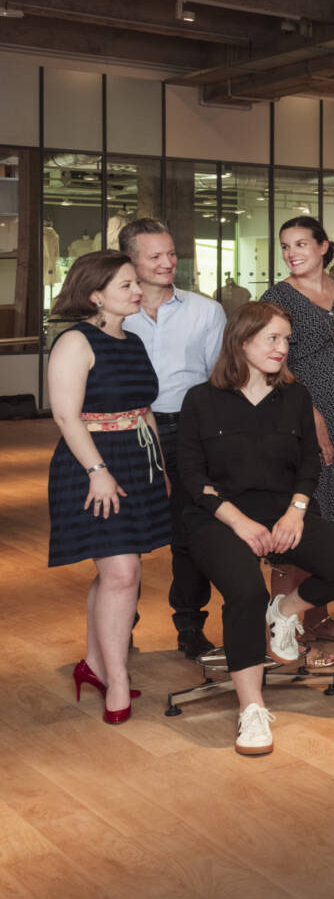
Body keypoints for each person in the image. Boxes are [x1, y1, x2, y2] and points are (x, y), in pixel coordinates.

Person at [177, 303, 334, 756]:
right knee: (245, 593)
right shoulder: (201, 400)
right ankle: (251, 709)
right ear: (242, 341)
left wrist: (296, 511)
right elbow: (191, 476)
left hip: (283, 511)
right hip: (217, 517)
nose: (283, 349)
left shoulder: (296, 398)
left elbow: (308, 465)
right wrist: (239, 522)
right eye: (273, 339)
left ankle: (284, 610)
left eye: (287, 340)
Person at [46, 251, 172, 725]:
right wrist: (98, 470)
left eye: (136, 284)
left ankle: (95, 665)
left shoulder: (133, 341)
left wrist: (159, 467)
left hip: (136, 461)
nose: (138, 292)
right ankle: (116, 680)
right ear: (95, 294)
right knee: (121, 572)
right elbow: (64, 415)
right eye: (126, 285)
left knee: (116, 569)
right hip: (91, 464)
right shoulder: (75, 342)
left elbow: (144, 410)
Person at [260, 217, 334, 643]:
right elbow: (277, 361)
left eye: (302, 244)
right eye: (286, 246)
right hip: (305, 411)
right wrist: (312, 416)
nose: (293, 253)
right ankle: (282, 622)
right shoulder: (276, 297)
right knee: (311, 512)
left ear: (324, 246)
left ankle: (316, 614)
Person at [119, 218, 225, 659]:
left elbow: (219, 380)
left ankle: (190, 626)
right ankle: (120, 626)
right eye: (155, 255)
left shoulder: (206, 311)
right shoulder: (115, 313)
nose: (167, 263)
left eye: (171, 253)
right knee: (126, 538)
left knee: (189, 534)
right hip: (128, 431)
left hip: (188, 429)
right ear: (131, 261)